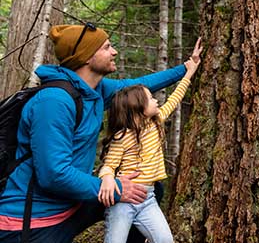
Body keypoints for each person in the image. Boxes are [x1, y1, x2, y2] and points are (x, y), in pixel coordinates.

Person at [0, 23, 201, 243]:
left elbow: (138, 86)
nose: (114, 52)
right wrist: (115, 189)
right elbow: (53, 175)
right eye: (106, 47)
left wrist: (187, 68)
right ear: (86, 57)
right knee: (128, 191)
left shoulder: (94, 90)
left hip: (72, 205)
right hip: (32, 222)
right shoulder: (54, 102)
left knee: (146, 190)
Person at [97, 39, 202, 243]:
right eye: (150, 98)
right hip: (122, 203)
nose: (156, 100)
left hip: (148, 199)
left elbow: (175, 98)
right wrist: (108, 179)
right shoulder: (123, 137)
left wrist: (190, 70)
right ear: (138, 109)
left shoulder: (156, 122)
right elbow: (108, 166)